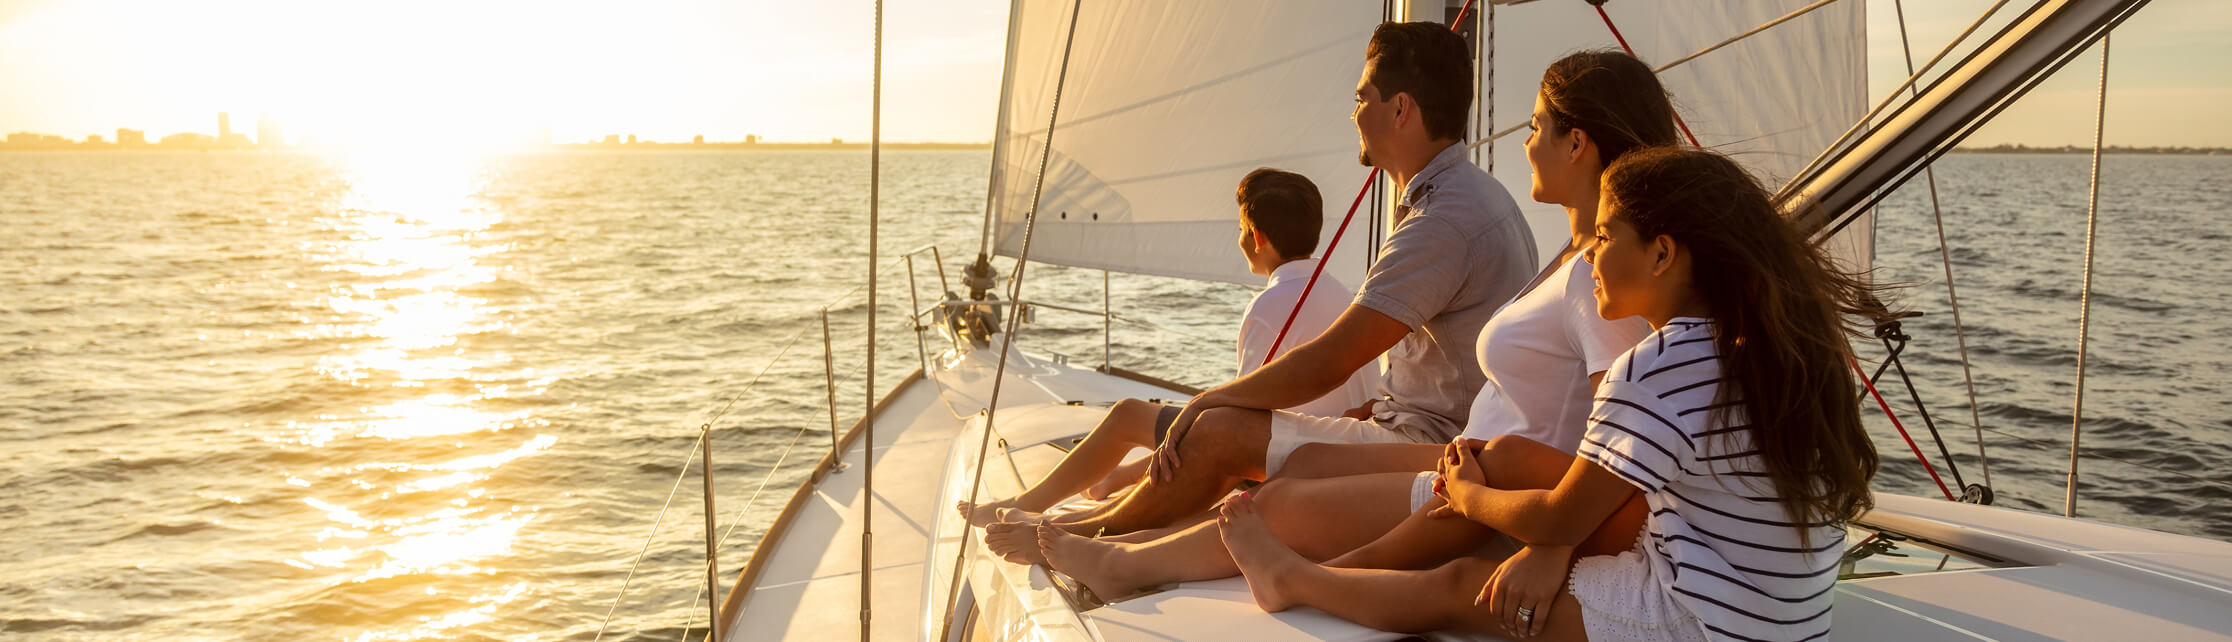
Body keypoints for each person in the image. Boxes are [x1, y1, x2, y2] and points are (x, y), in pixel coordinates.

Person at [1031, 49, 1675, 596]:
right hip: (1473, 456)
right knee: (1302, 466)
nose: (1524, 140)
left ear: (1577, 143)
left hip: (1495, 481)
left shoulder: (1594, 274)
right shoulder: (1566, 252)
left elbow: (1613, 437)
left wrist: (1551, 541)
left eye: (1536, 125)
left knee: (1260, 478)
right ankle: (1139, 539)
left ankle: (1121, 559)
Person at [1217, 145, 1887, 642]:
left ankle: (1294, 581)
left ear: (1661, 255)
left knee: (1460, 590)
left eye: (1604, 236)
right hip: (1788, 613)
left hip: (1705, 621)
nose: (1589, 255)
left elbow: (1560, 521)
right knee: (1516, 462)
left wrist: (1468, 495)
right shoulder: (1765, 346)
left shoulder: (1658, 363)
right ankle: (1341, 570)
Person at [985, 20, 1538, 543]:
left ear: (1400, 109)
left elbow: (1331, 362)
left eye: (1361, 98)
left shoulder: (1440, 220)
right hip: (1434, 431)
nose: (1352, 113)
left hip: (1436, 448)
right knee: (1224, 427)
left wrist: (1206, 400)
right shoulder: (1470, 198)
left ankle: (1088, 534)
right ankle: (1097, 520)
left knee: (1219, 430)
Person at [956, 167, 1379, 527]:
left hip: (1278, 459)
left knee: (1127, 415)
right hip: (1330, 451)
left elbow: (1234, 424)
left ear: (1257, 236)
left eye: (1239, 230)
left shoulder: (1270, 306)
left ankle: (1027, 506)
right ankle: (1111, 480)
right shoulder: (1345, 294)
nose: (1239, 240)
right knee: (1183, 422)